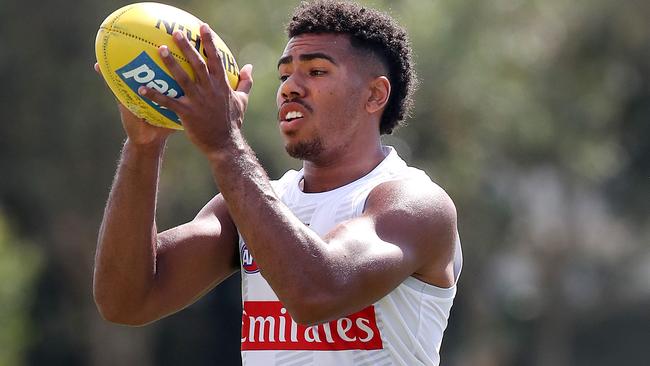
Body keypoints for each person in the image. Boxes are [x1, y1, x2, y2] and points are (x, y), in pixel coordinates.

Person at [93, 1, 462, 365]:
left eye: (316, 71)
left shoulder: (416, 204)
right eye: (285, 75)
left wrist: (225, 143)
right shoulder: (249, 205)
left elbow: (316, 293)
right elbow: (126, 301)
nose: (290, 88)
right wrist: (144, 146)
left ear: (374, 95)